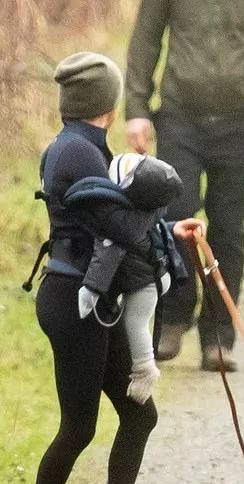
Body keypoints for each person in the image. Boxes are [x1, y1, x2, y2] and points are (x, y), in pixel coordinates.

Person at [8, 52, 205, 484]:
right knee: (79, 426)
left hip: (94, 302)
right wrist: (160, 226)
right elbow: (123, 226)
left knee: (138, 413)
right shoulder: (77, 153)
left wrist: (172, 232)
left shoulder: (85, 147)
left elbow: (122, 222)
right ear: (110, 105)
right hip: (76, 303)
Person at [124, 0, 244, 371]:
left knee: (227, 228)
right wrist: (137, 110)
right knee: (175, 217)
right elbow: (146, 38)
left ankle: (219, 337)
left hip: (242, 119)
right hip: (179, 117)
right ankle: (173, 317)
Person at [68, 152, 185, 403]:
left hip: (145, 284)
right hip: (153, 277)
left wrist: (90, 290)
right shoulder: (145, 212)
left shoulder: (119, 226)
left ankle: (145, 369)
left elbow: (106, 257)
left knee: (135, 321)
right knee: (134, 318)